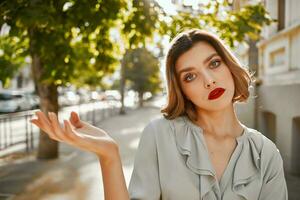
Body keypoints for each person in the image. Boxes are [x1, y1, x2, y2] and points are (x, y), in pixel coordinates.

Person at [31, 29, 288, 200]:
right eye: (190, 76)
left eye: (214, 63)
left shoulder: (265, 154)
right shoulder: (160, 135)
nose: (209, 81)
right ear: (182, 89)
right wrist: (109, 155)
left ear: (229, 66)